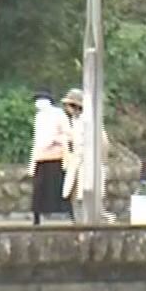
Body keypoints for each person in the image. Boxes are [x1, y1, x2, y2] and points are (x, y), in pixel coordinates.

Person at [61, 90, 114, 223]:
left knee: (87, 195)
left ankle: (93, 221)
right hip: (77, 162)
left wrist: (101, 162)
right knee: (75, 195)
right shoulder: (74, 121)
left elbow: (103, 142)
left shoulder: (89, 121)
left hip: (88, 163)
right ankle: (79, 222)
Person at [27, 87, 70, 225]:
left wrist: (55, 140)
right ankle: (37, 216)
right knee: (39, 188)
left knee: (58, 185)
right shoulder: (38, 117)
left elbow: (68, 133)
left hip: (56, 156)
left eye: (41, 100)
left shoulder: (58, 114)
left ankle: (66, 213)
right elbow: (37, 139)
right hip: (40, 156)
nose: (38, 103)